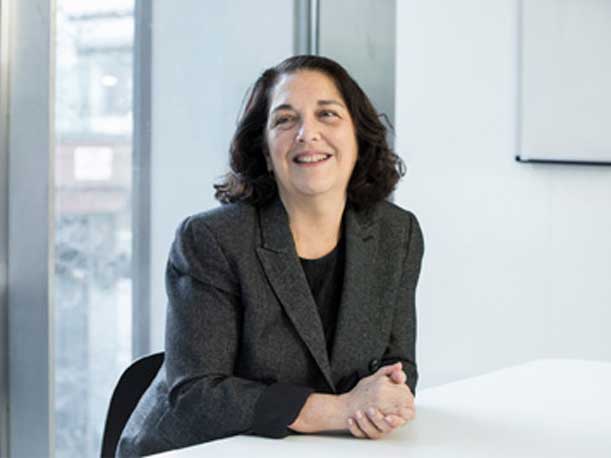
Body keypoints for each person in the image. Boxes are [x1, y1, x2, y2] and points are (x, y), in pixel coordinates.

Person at [116, 55, 424, 457]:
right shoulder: (211, 239)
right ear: (264, 151)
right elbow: (196, 395)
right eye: (285, 120)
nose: (307, 134)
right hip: (197, 449)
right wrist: (338, 410)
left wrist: (387, 398)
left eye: (327, 114)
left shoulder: (396, 233)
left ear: (358, 138)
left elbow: (397, 363)